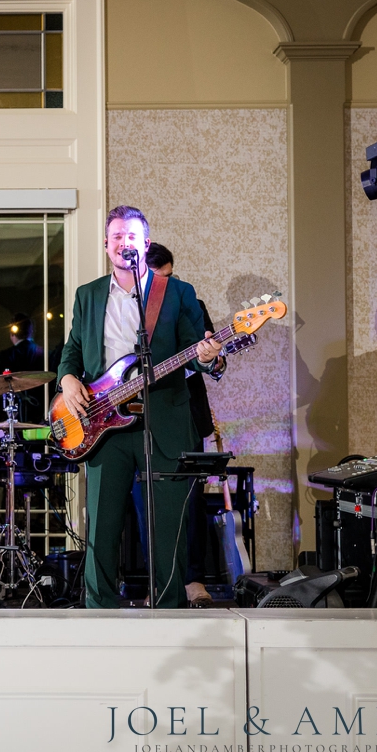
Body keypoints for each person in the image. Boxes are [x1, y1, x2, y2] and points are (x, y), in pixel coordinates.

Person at [56, 206, 224, 609]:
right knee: (102, 528)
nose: (123, 242)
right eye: (116, 236)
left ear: (144, 244)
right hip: (102, 425)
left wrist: (209, 355)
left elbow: (196, 354)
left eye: (131, 236)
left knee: (168, 529)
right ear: (106, 244)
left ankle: (167, 613)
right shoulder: (88, 295)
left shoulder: (178, 293)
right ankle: (100, 612)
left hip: (163, 420)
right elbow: (72, 352)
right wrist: (67, 380)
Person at [144, 242, 221, 607]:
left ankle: (193, 580)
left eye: (170, 278)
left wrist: (210, 358)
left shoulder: (191, 303)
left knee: (190, 500)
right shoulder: (124, 310)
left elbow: (211, 362)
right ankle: (155, 581)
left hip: (185, 413)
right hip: (137, 419)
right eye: (160, 279)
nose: (167, 286)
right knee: (145, 504)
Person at [0, 312, 46, 422]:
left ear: (12, 333)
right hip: (42, 412)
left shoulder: (6, 356)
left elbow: (0, 385)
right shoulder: (44, 353)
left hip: (15, 414)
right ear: (31, 332)